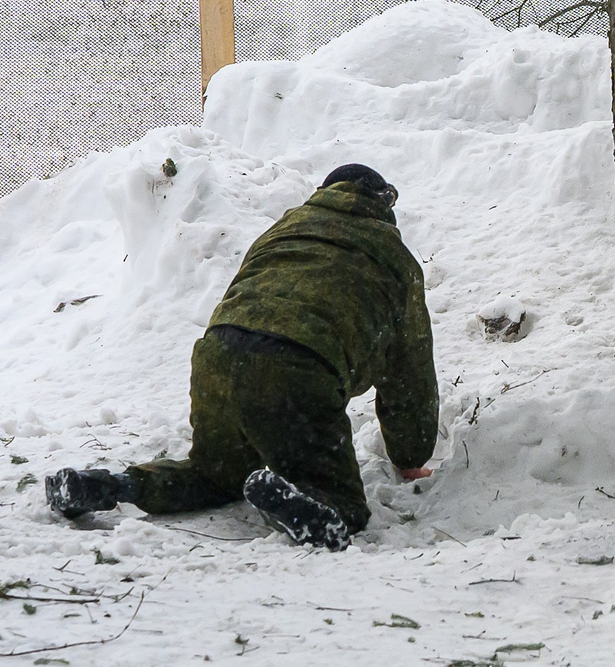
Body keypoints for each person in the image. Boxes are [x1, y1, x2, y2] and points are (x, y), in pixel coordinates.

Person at [45, 164, 437, 551]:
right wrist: (409, 455)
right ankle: (290, 503)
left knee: (212, 475)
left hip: (220, 352)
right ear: (383, 204)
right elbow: (409, 371)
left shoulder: (282, 231)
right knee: (344, 507)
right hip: (300, 367)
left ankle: (111, 486)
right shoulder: (395, 259)